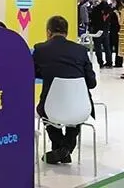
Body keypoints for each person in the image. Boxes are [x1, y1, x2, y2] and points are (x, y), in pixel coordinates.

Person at [32, 16, 96, 165]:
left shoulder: (40, 50)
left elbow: (32, 73)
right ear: (67, 32)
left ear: (48, 32)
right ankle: (66, 148)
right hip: (81, 106)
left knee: (44, 111)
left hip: (51, 106)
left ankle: (61, 148)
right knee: (76, 115)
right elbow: (92, 83)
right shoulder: (81, 50)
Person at [88, 1, 112, 67]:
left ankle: (100, 63)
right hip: (106, 30)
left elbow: (92, 19)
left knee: (98, 48)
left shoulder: (96, 9)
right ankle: (109, 62)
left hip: (97, 31)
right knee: (107, 47)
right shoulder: (109, 10)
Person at [110, 0, 122, 68]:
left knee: (118, 46)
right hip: (112, 29)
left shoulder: (120, 9)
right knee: (111, 45)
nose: (112, 2)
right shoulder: (112, 8)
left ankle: (119, 62)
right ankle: (110, 61)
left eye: (113, 1)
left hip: (118, 29)